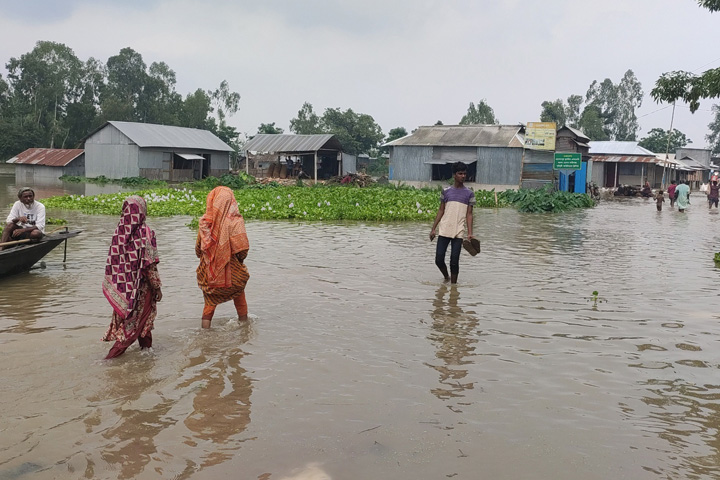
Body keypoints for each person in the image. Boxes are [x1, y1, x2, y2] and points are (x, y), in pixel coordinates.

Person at [101, 196, 162, 359]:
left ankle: (147, 352)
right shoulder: (146, 233)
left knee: (141, 322)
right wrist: (157, 287)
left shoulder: (120, 231)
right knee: (131, 327)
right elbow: (150, 266)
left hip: (122, 288)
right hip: (141, 289)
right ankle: (110, 360)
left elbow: (114, 263)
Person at [196, 186, 250, 328]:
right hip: (233, 271)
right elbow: (243, 249)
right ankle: (244, 328)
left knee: (210, 302)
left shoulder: (205, 223)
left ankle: (205, 335)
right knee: (239, 295)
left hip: (210, 272)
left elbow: (198, 249)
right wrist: (237, 261)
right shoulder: (236, 222)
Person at [429, 162, 476, 284]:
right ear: (454, 175)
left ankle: (453, 288)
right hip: (444, 228)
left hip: (458, 230)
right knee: (439, 259)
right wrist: (433, 228)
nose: (463, 176)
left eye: (464, 174)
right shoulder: (446, 192)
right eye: (460, 173)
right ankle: (446, 278)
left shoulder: (469, 193)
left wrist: (470, 233)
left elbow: (469, 214)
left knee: (454, 261)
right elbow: (441, 210)